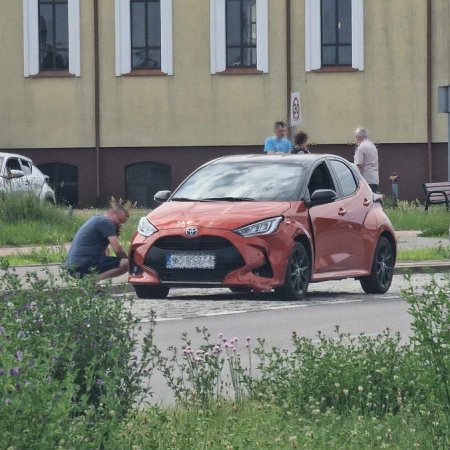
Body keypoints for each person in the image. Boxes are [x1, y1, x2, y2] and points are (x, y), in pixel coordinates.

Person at [65, 205, 129, 289]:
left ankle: (93, 286)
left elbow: (106, 250)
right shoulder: (106, 222)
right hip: (83, 263)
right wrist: (131, 264)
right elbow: (118, 249)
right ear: (113, 213)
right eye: (120, 220)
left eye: (122, 223)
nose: (120, 224)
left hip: (72, 266)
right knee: (126, 264)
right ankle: (91, 282)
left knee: (107, 251)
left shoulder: (96, 219)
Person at [354, 127, 379, 193]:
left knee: (364, 202)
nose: (356, 139)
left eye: (356, 136)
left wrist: (356, 180)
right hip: (374, 179)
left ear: (359, 137)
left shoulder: (361, 148)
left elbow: (359, 166)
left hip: (365, 180)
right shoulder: (373, 146)